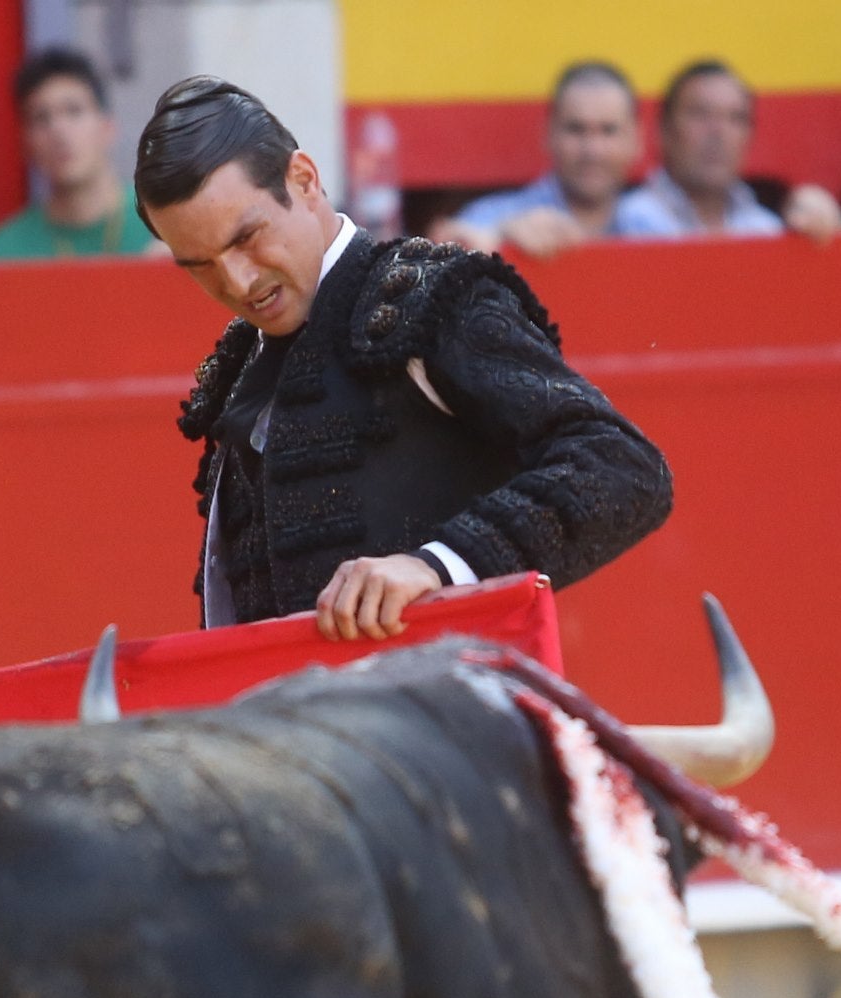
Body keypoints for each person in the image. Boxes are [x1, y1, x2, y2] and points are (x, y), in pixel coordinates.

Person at [134, 76, 671, 642]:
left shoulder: (430, 300)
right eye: (199, 264)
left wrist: (437, 566)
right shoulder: (241, 365)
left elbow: (621, 466)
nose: (237, 282)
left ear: (304, 180)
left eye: (246, 237)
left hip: (450, 714)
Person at [429, 62, 661, 257]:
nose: (592, 150)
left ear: (637, 139)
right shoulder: (494, 217)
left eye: (608, 131)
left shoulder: (660, 226)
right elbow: (448, 252)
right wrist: (500, 238)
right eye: (576, 129)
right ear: (548, 134)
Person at [620, 60, 841, 242]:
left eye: (735, 118)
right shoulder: (625, 224)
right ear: (663, 131)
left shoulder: (766, 229)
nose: (718, 132)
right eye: (700, 114)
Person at [0, 47, 156, 259]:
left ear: (107, 127)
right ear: (25, 142)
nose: (58, 131)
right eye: (41, 118)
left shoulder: (169, 225)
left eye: (74, 110)